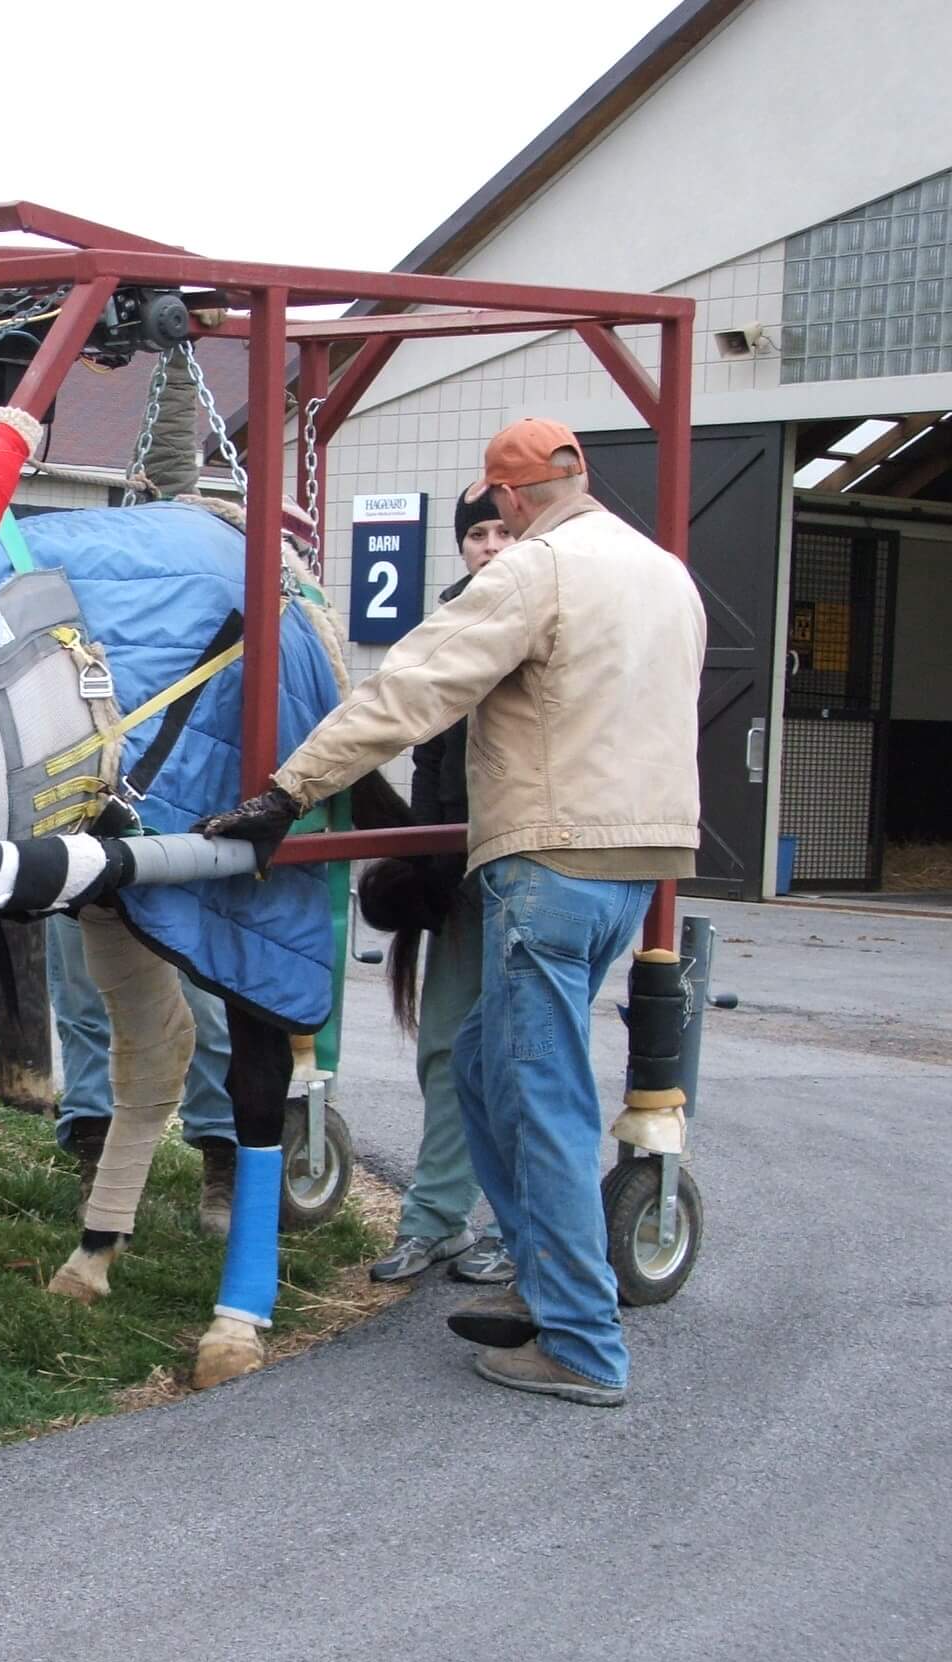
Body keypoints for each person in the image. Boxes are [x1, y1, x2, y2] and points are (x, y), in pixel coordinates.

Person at [202, 419, 705, 1407]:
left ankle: (580, 1340)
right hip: (640, 860)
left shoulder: (532, 573)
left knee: (538, 1095)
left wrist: (285, 794)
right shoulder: (663, 573)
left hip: (549, 861)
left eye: (497, 508)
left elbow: (412, 690)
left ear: (510, 499)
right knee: (482, 1062)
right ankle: (549, 1275)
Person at [364, 487, 518, 1287]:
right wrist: (425, 855)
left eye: (503, 529)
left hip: (539, 865)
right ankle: (437, 1220)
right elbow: (426, 749)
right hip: (461, 864)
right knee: (448, 1047)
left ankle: (529, 1236)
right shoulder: (444, 624)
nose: (489, 545)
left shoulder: (553, 612)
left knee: (526, 1056)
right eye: (476, 534)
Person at [46, 914, 242, 1235]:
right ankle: (99, 1165)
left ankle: (222, 1164)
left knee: (206, 1007)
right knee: (86, 1007)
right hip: (85, 872)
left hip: (183, 874)